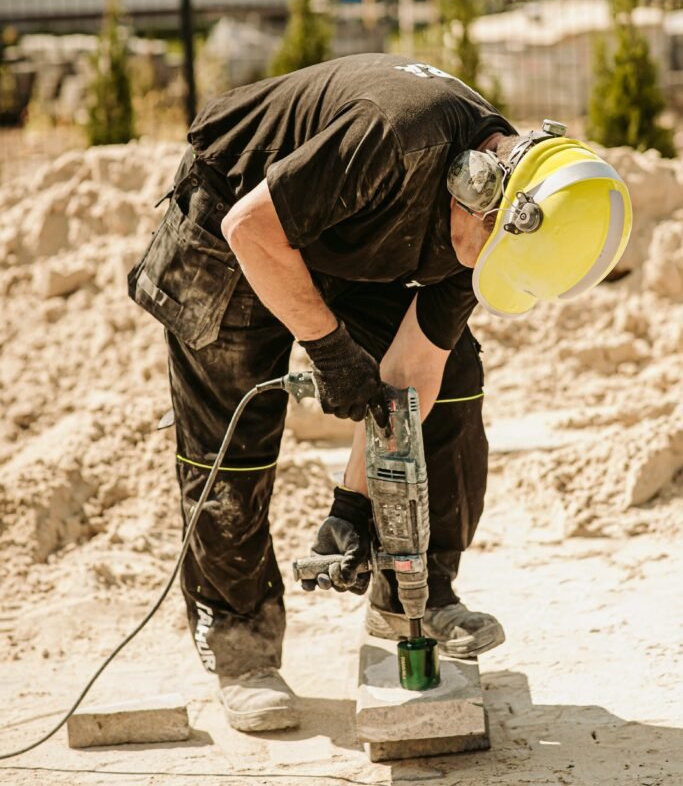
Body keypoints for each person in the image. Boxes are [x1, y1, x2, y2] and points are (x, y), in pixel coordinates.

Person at [128, 53, 631, 733]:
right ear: (470, 188)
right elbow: (251, 230)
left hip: (349, 236)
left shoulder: (502, 219)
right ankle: (241, 648)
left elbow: (412, 369)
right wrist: (330, 349)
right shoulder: (395, 136)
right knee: (232, 439)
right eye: (481, 252)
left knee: (451, 383)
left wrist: (352, 502)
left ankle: (410, 597)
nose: (480, 268)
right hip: (235, 217)